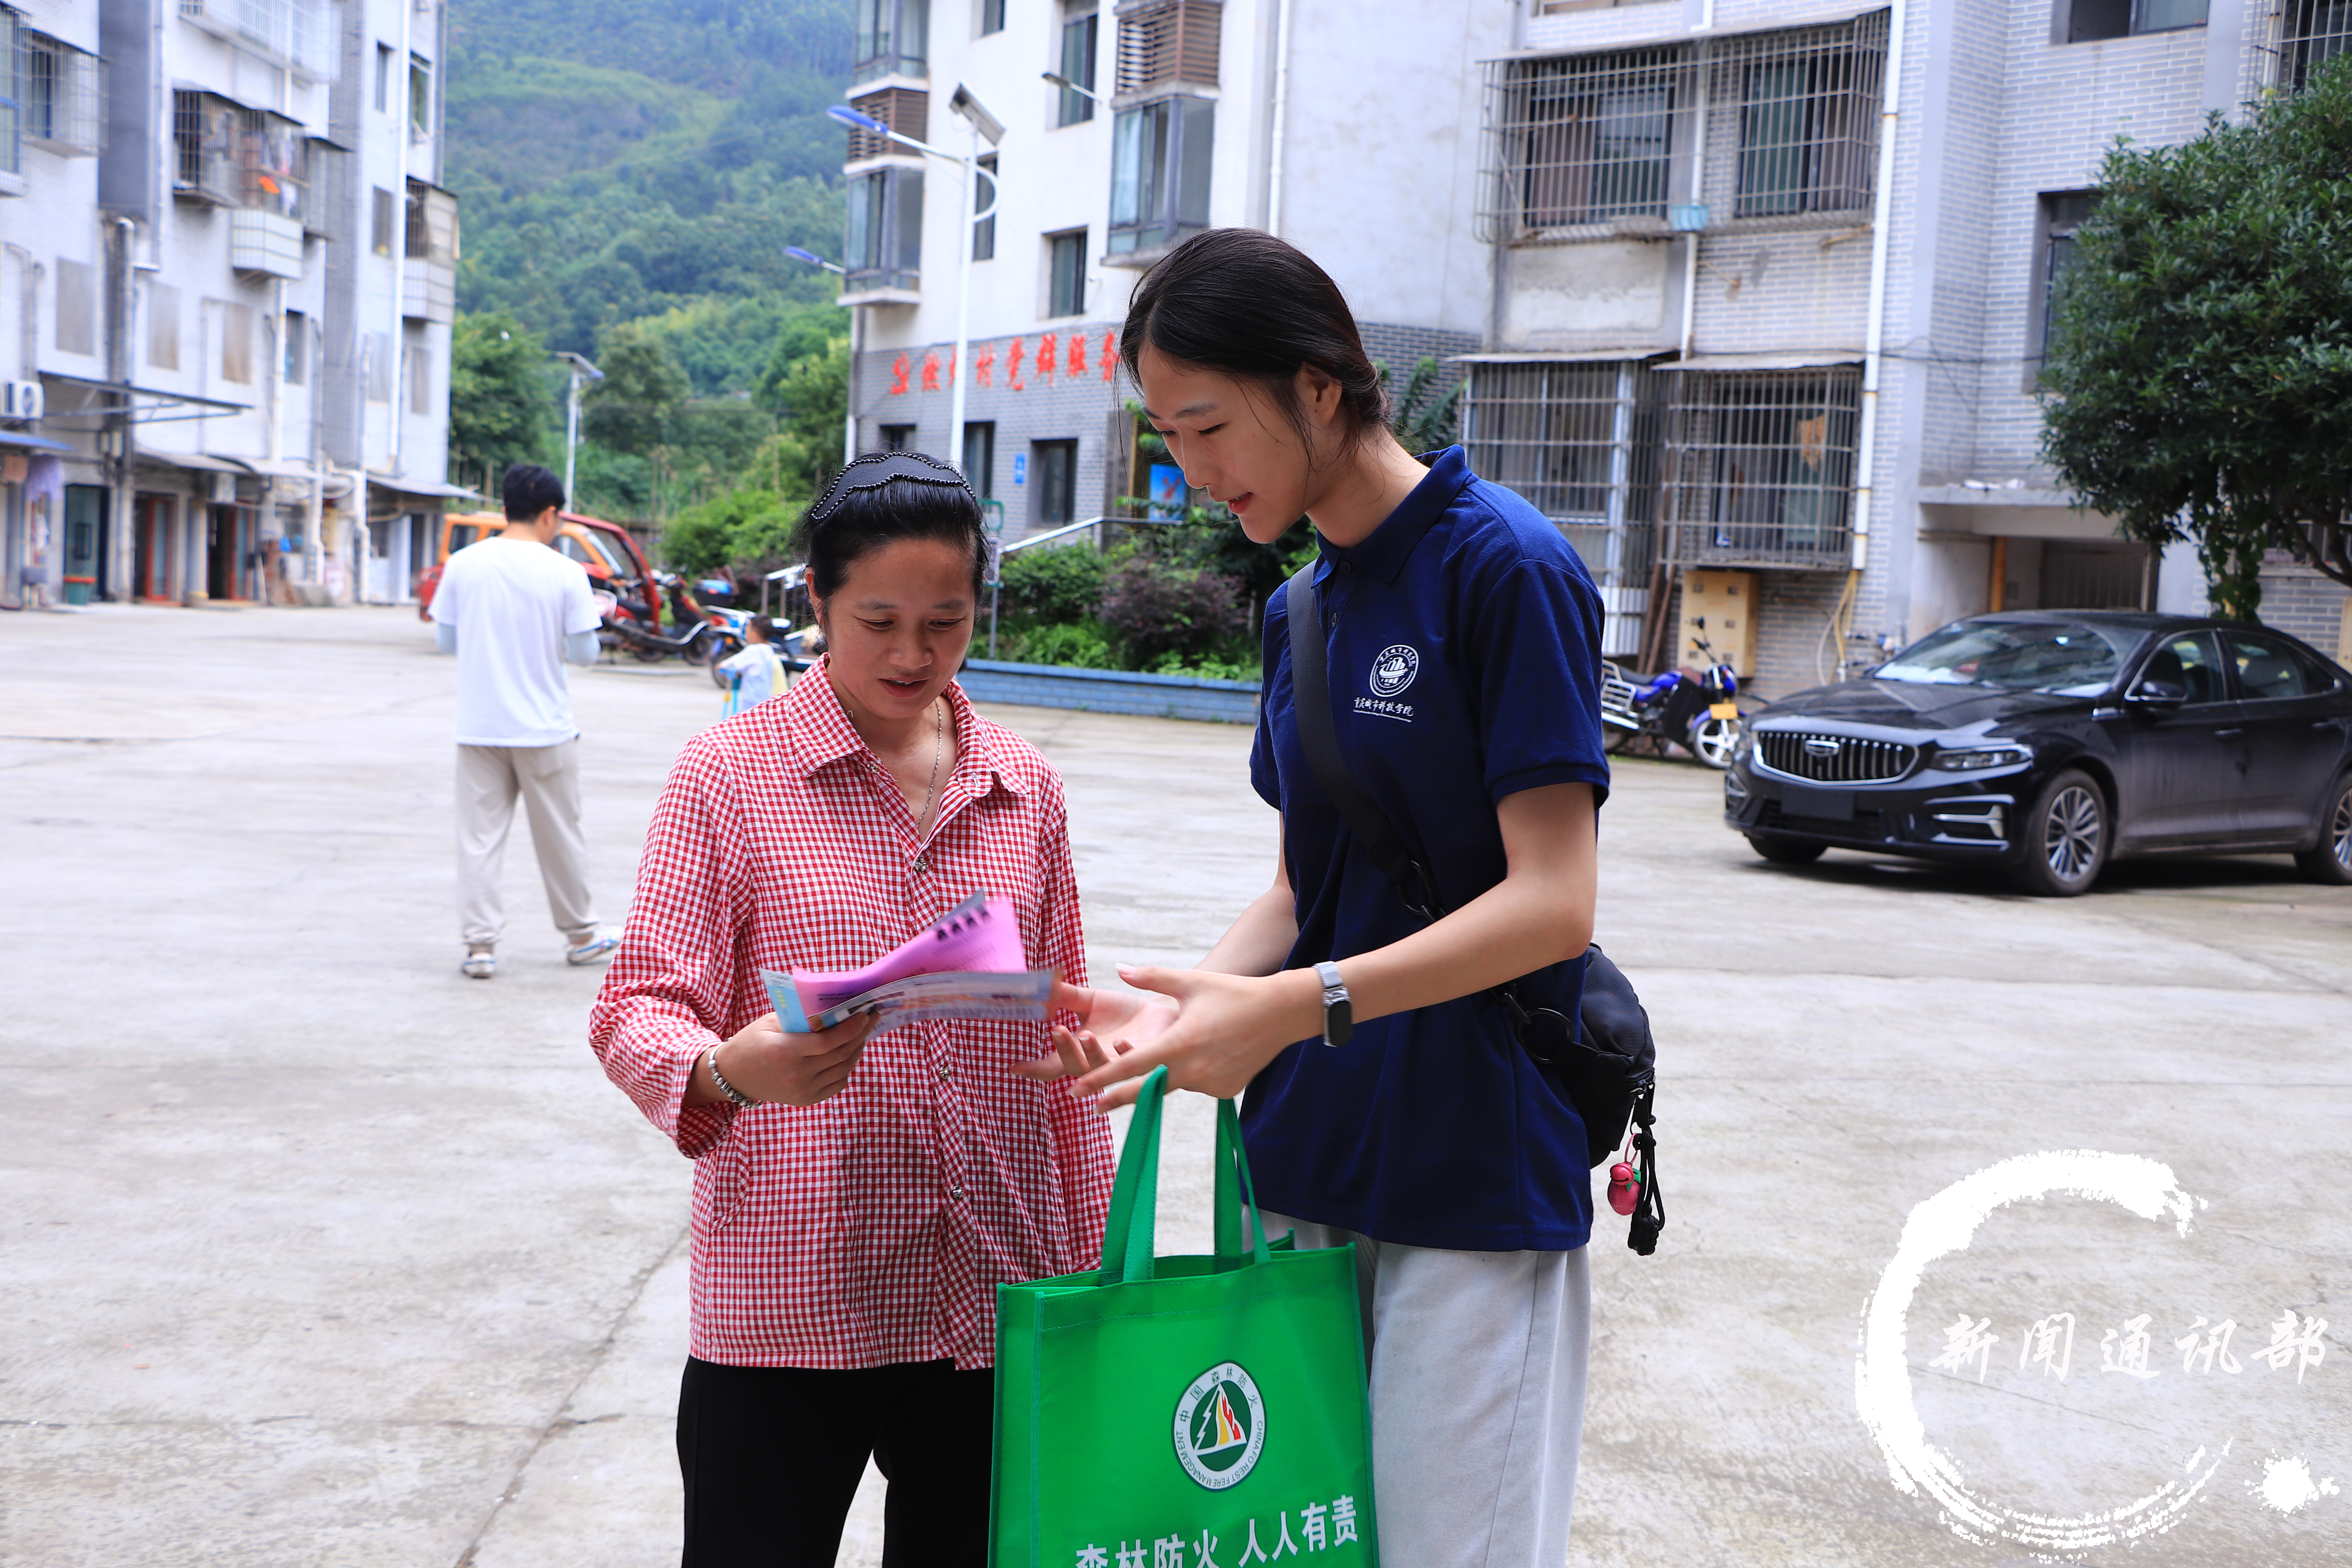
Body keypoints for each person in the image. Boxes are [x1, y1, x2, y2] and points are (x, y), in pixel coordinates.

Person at [1024, 229, 1609, 1567]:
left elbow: (1554, 902)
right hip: (1306, 1167)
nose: (1192, 469)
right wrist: (1185, 1013)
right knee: (1301, 1546)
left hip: (1470, 1167)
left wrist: (1296, 1007)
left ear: (1319, 386)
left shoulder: (1504, 569)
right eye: (1167, 436)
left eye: (1208, 426)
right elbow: (1303, 891)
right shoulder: (1302, 613)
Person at [588, 450, 1112, 1568]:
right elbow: (636, 1005)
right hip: (795, 1292)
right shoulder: (730, 776)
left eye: (946, 622)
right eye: (879, 621)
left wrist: (1090, 1265)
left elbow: (1060, 1031)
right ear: (819, 604)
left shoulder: (1023, 786)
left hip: (995, 1288)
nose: (913, 654)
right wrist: (729, 1070)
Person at [429, 463, 620, 979]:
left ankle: (480, 947)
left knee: (479, 839)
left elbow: (445, 641)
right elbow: (586, 654)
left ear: (505, 509)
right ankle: (581, 934)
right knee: (560, 835)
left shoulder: (464, 564)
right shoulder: (565, 571)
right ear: (551, 514)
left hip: (479, 726)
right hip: (544, 728)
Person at [715, 613, 788, 717]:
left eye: (747, 630)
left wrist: (720, 667)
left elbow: (729, 664)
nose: (746, 634)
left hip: (752, 704)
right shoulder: (770, 651)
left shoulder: (753, 651)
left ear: (755, 633)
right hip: (766, 703)